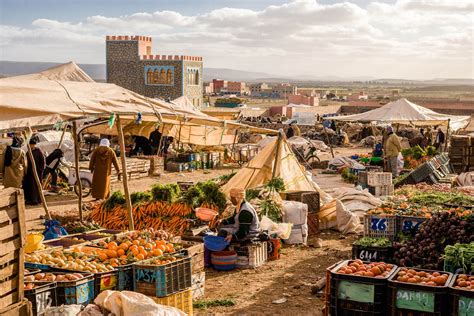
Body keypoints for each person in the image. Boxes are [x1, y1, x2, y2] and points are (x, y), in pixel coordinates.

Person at [23, 138, 45, 205]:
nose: (32, 146)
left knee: (36, 186)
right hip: (29, 172)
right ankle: (30, 200)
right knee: (29, 186)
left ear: (34, 145)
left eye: (32, 145)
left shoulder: (38, 151)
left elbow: (43, 162)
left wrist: (40, 170)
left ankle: (36, 200)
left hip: (37, 172)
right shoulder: (28, 152)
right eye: (30, 145)